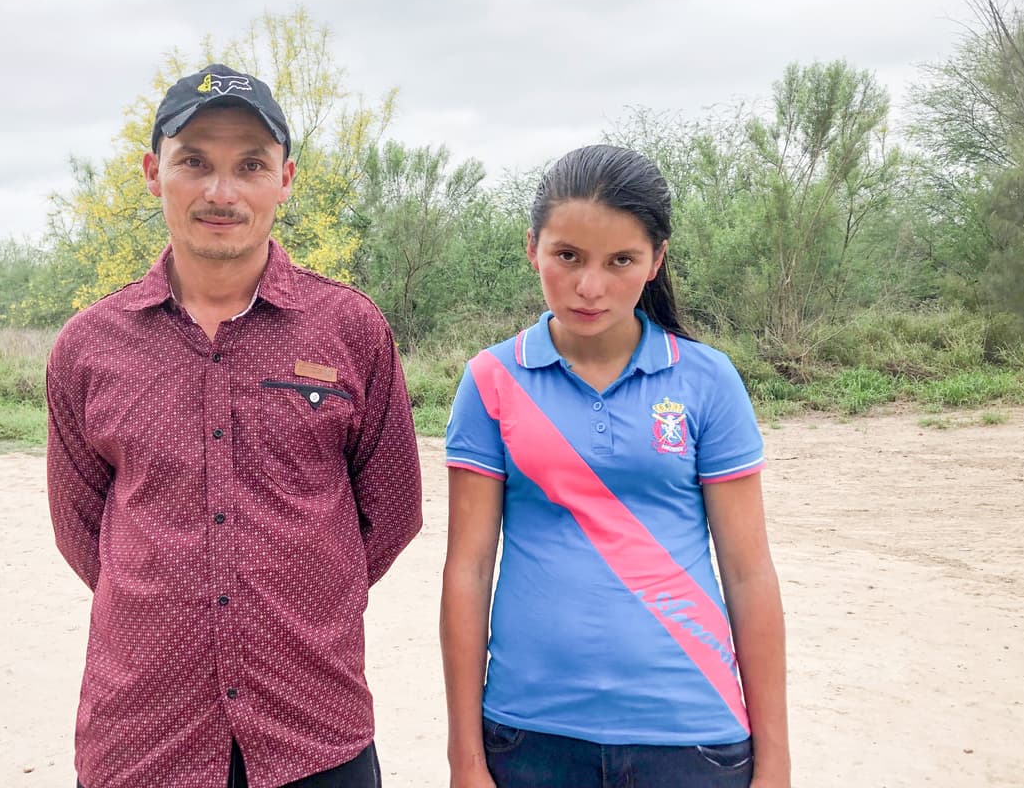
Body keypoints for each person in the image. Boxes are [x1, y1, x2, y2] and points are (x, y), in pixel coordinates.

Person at [46, 64, 423, 788]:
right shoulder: (89, 346)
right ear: (155, 173)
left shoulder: (351, 329)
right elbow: (82, 529)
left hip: (315, 730)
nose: (222, 192)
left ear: (285, 179)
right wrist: (166, 592)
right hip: (145, 735)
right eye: (195, 162)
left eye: (250, 165)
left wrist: (307, 591)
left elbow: (392, 511)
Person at [440, 144, 789, 788]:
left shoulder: (707, 381)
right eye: (567, 256)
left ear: (656, 261)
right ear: (532, 247)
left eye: (620, 260)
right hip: (527, 736)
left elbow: (748, 573)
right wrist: (465, 758)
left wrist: (775, 763)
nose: (589, 287)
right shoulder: (491, 381)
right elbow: (467, 570)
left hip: (693, 737)